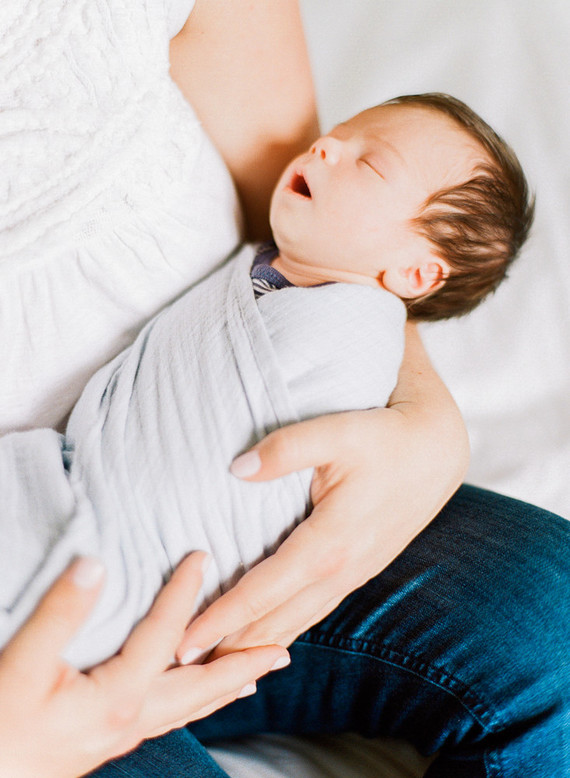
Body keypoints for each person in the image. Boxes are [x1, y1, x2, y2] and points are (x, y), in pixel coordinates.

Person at [1, 4, 567, 778]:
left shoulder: (355, 300)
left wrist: (425, 423)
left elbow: (342, 257)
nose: (326, 147)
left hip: (240, 551)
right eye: (342, 147)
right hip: (47, 600)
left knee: (552, 615)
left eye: (365, 161)